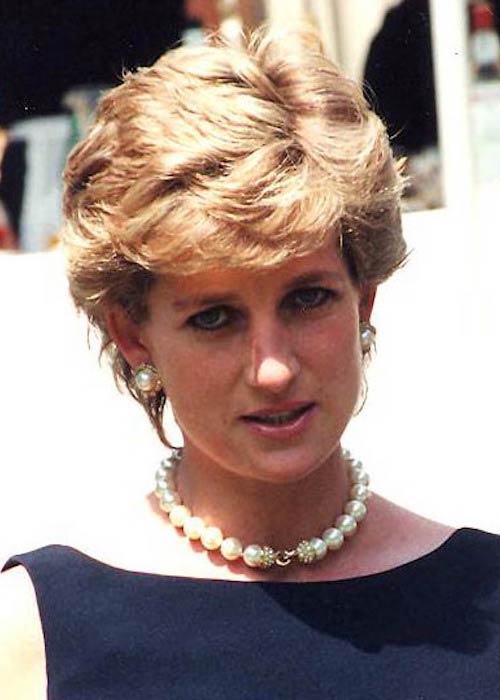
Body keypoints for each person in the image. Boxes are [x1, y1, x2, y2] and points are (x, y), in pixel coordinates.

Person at [1, 27, 500, 699]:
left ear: (364, 301)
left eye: (307, 298)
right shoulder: (29, 635)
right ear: (133, 335)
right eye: (214, 317)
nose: (272, 368)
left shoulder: (484, 604)